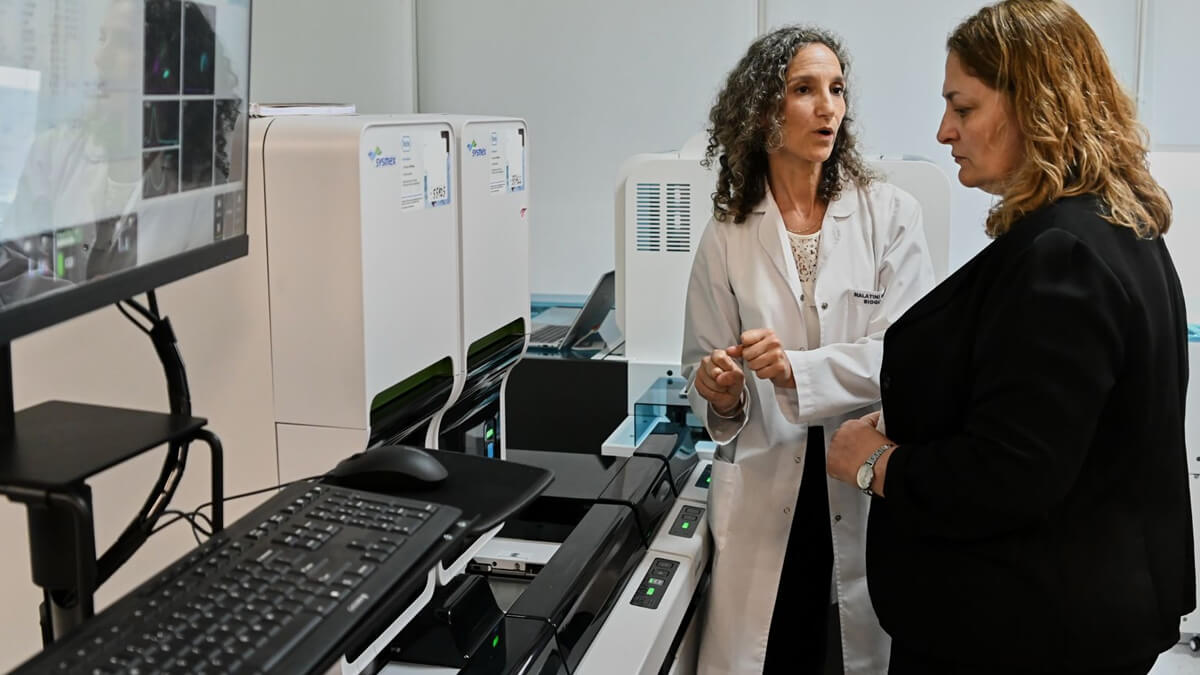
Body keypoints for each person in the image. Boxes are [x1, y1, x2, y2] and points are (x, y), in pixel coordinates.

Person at [826, 1, 1196, 673]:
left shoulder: (1062, 255)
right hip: (1074, 618)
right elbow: (1052, 424)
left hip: (1023, 634)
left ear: (1036, 102)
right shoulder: (1124, 230)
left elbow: (1011, 475)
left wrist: (872, 461)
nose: (944, 131)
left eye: (962, 108)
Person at [682, 25, 935, 675]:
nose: (828, 107)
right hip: (768, 491)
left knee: (856, 651)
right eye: (805, 90)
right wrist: (722, 387)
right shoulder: (729, 233)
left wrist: (799, 369)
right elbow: (703, 371)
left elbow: (908, 360)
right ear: (764, 109)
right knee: (777, 650)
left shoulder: (891, 216)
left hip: (862, 482)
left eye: (837, 89)